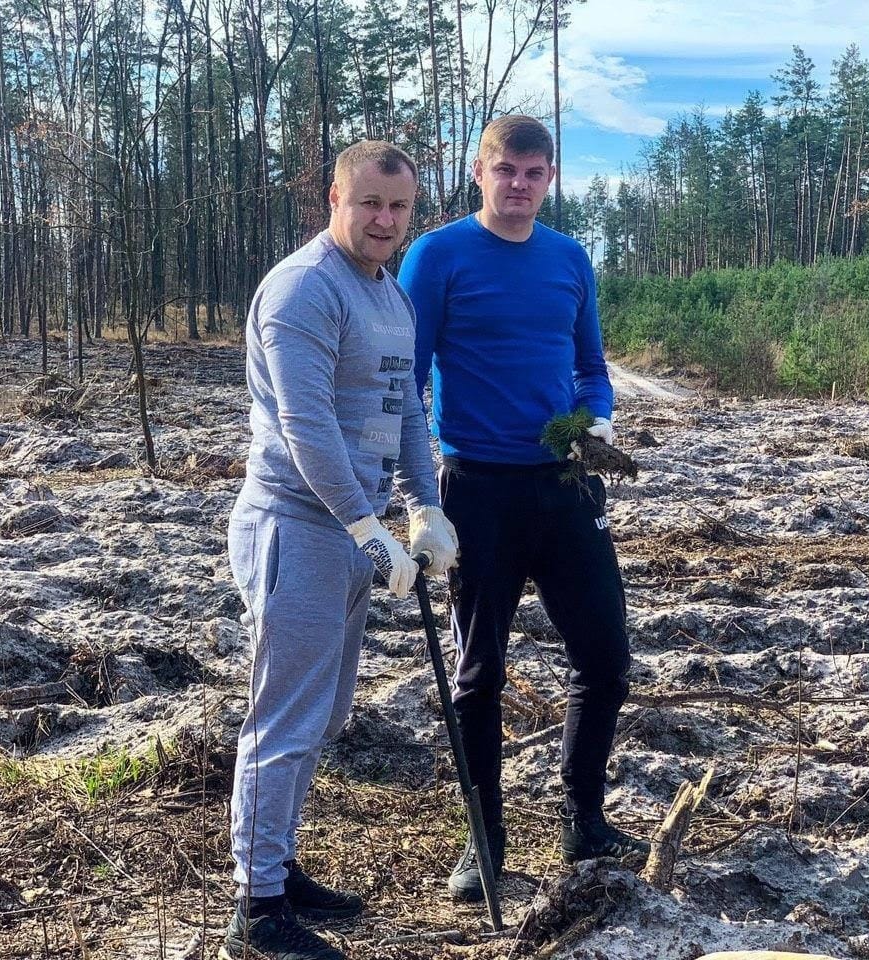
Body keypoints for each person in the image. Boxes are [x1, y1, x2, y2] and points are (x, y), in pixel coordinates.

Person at [398, 115, 645, 903]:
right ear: (480, 172)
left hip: (566, 485)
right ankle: (485, 846)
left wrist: (596, 423)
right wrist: (415, 495)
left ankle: (584, 821)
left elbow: (591, 366)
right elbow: (406, 378)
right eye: (506, 170)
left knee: (604, 659)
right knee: (479, 675)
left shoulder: (569, 258)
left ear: (550, 179)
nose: (519, 185)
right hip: (478, 490)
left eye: (534, 173)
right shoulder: (436, 255)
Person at [222, 140, 458, 960]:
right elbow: (306, 425)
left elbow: (406, 410)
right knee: (283, 720)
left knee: (323, 714)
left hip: (356, 530)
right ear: (335, 199)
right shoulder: (303, 289)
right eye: (369, 204)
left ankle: (278, 868)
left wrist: (425, 506)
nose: (385, 221)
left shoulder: (391, 295)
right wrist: (365, 526)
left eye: (398, 207)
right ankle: (256, 911)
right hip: (296, 527)